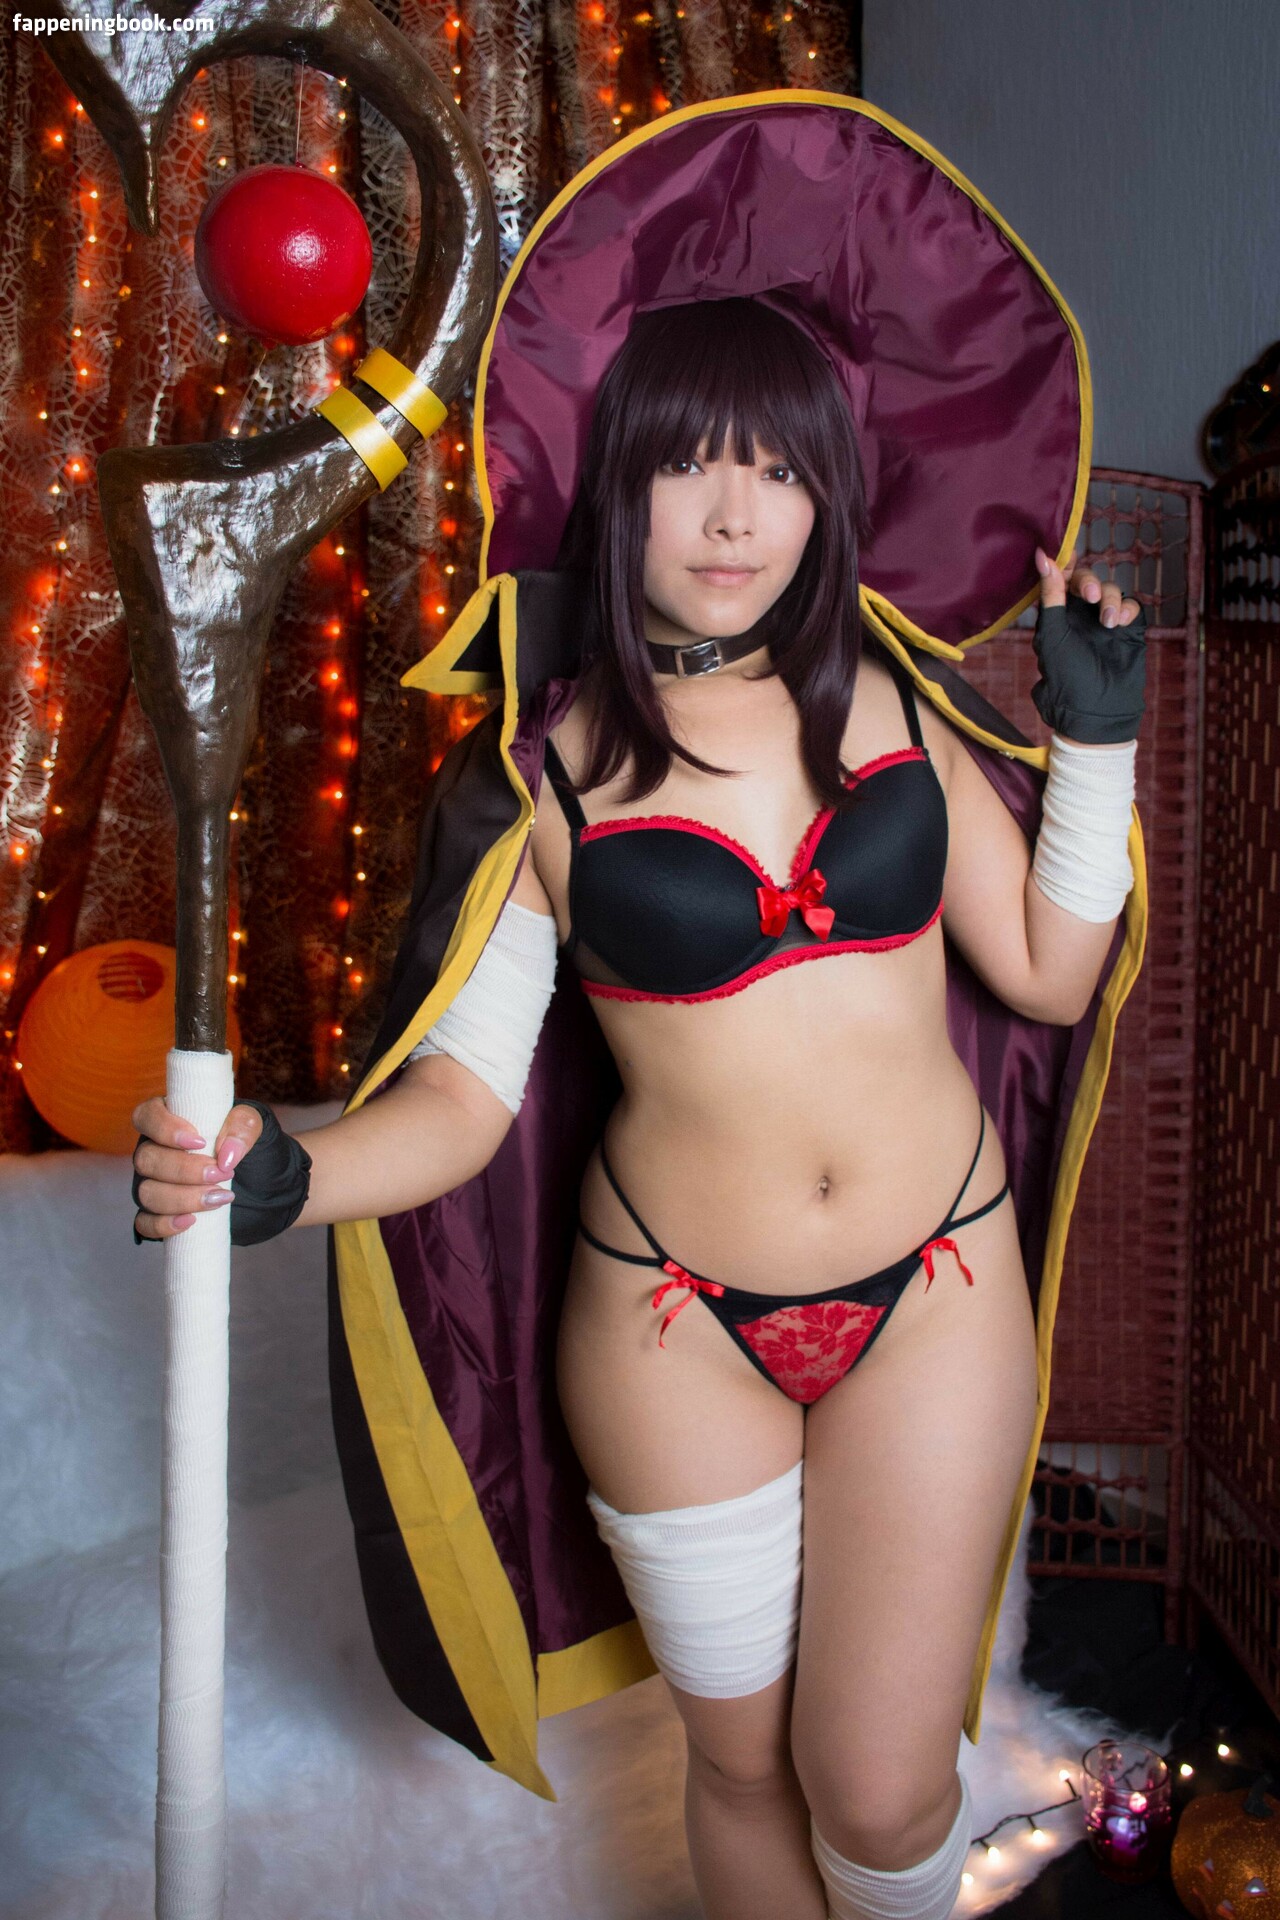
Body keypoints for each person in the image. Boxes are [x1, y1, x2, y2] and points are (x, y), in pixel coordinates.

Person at [131, 97, 1148, 1920]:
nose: (737, 514)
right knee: (738, 1767)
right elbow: (463, 1103)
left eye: (780, 469)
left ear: (830, 492)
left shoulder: (901, 708)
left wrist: (1096, 743)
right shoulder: (542, 774)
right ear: (620, 487)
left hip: (938, 1287)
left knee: (883, 1785)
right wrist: (283, 1172)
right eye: (689, 466)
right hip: (673, 1331)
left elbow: (1051, 973)